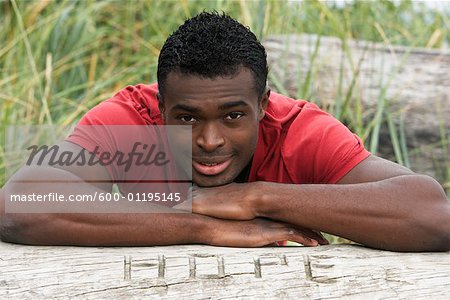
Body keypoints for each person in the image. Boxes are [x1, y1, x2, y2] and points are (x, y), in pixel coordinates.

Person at [1, 12, 449, 251]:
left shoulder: (298, 128)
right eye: (188, 117)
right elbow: (18, 204)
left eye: (233, 116)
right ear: (161, 109)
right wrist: (199, 224)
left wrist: (254, 196)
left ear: (263, 104)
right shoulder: (131, 118)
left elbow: (430, 214)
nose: (210, 141)